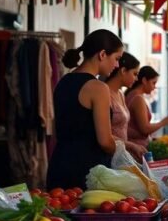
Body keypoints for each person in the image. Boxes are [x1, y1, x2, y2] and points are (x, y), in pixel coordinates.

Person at [47, 29, 123, 189]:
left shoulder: (63, 82)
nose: (117, 65)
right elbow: (104, 141)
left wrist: (128, 145)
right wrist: (123, 153)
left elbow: (62, 131)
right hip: (87, 172)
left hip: (59, 165)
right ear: (102, 54)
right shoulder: (98, 87)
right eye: (116, 58)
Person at [104, 52, 147, 159]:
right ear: (123, 71)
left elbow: (122, 126)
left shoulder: (121, 94)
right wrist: (131, 145)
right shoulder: (104, 94)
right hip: (108, 155)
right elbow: (104, 134)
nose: (137, 79)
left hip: (121, 154)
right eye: (135, 74)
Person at [126, 66, 168, 146]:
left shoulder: (131, 94)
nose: (154, 87)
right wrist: (163, 122)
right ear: (144, 80)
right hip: (137, 147)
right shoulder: (138, 98)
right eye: (153, 83)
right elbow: (145, 129)